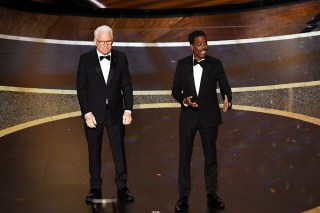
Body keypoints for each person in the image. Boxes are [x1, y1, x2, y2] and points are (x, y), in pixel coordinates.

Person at [171, 30, 232, 211]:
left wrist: (227, 96)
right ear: (192, 46)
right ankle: (183, 195)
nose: (203, 47)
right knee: (185, 157)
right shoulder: (182, 65)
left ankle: (212, 193)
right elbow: (175, 89)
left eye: (205, 43)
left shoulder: (216, 64)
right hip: (188, 117)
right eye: (199, 44)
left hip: (209, 117)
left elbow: (224, 84)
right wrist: (185, 100)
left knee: (211, 156)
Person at [76, 25, 134, 203]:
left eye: (109, 42)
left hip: (116, 113)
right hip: (94, 114)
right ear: (95, 42)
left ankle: (122, 186)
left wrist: (128, 109)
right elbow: (82, 88)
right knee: (94, 151)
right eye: (102, 42)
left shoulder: (121, 58)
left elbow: (126, 85)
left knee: (118, 151)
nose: (106, 46)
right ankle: (95, 187)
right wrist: (87, 113)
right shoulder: (85, 59)